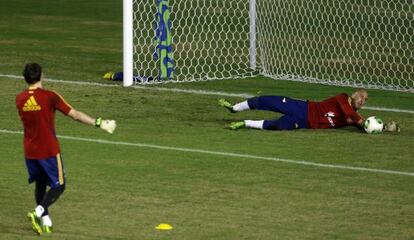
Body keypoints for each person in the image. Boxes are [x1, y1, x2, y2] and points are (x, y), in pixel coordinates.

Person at [16, 63, 117, 235]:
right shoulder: (50, 96)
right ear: (42, 76)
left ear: (25, 78)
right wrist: (99, 123)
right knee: (60, 185)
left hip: (30, 151)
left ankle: (45, 221)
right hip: (48, 150)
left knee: (40, 183)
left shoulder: (19, 99)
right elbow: (74, 115)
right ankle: (38, 211)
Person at [218, 90, 398, 132]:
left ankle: (244, 123)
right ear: (354, 94)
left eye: (365, 100)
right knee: (265, 100)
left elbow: (361, 126)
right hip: (303, 107)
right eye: (361, 95)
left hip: (305, 123)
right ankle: (234, 108)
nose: (362, 99)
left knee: (279, 126)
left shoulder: (353, 118)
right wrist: (362, 122)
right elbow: (353, 116)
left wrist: (385, 129)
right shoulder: (343, 99)